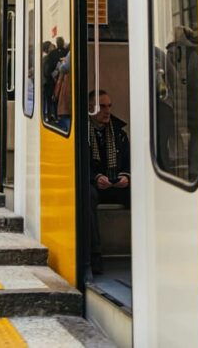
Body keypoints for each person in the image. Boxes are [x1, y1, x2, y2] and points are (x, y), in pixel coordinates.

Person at [88, 89, 130, 274]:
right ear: (90, 109)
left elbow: (129, 160)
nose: (107, 111)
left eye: (109, 106)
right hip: (95, 184)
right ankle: (94, 255)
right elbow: (79, 164)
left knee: (141, 193)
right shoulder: (82, 132)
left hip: (116, 183)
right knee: (87, 196)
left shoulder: (119, 133)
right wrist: (95, 177)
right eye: (102, 106)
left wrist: (126, 176)